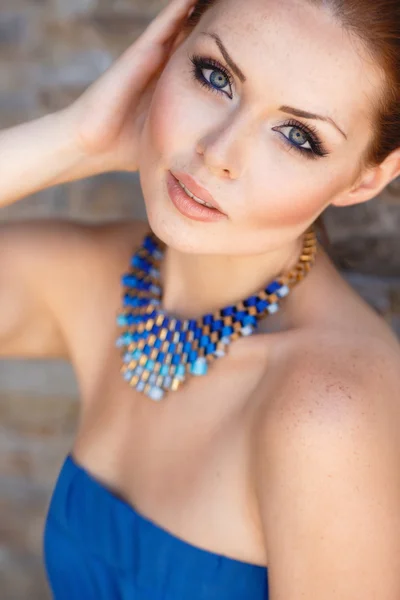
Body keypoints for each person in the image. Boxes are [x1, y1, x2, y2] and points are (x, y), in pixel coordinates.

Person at [1, 0, 400, 597]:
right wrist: (73, 139)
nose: (218, 152)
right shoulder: (104, 279)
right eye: (215, 77)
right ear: (168, 52)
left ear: (365, 178)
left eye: (298, 136)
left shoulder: (325, 413)